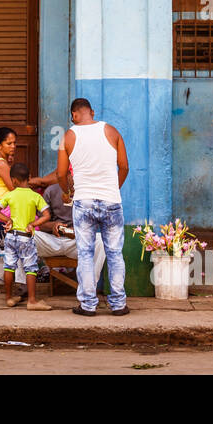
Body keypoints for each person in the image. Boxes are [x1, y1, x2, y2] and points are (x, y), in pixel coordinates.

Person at [56, 98, 130, 317]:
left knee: (86, 254)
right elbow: (124, 166)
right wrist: (113, 188)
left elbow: (61, 173)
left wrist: (67, 191)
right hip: (111, 201)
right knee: (115, 253)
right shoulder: (112, 131)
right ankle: (118, 304)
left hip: (84, 202)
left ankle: (88, 305)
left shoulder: (68, 136)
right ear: (92, 112)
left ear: (74, 115)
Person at [0, 163, 53, 311]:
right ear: (29, 178)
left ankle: (9, 298)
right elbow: (47, 215)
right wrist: (33, 224)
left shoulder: (10, 195)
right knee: (30, 268)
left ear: (13, 180)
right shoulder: (35, 196)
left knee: (9, 266)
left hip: (10, 236)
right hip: (25, 236)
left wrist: (8, 220)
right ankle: (32, 301)